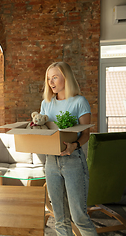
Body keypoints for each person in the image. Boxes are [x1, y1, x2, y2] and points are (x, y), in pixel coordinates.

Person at [40, 62, 97, 236]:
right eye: (49, 78)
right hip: (51, 162)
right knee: (60, 218)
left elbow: (85, 134)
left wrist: (74, 145)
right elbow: (44, 131)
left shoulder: (80, 102)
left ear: (66, 77)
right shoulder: (46, 103)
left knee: (79, 216)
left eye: (55, 77)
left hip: (73, 161)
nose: (51, 82)